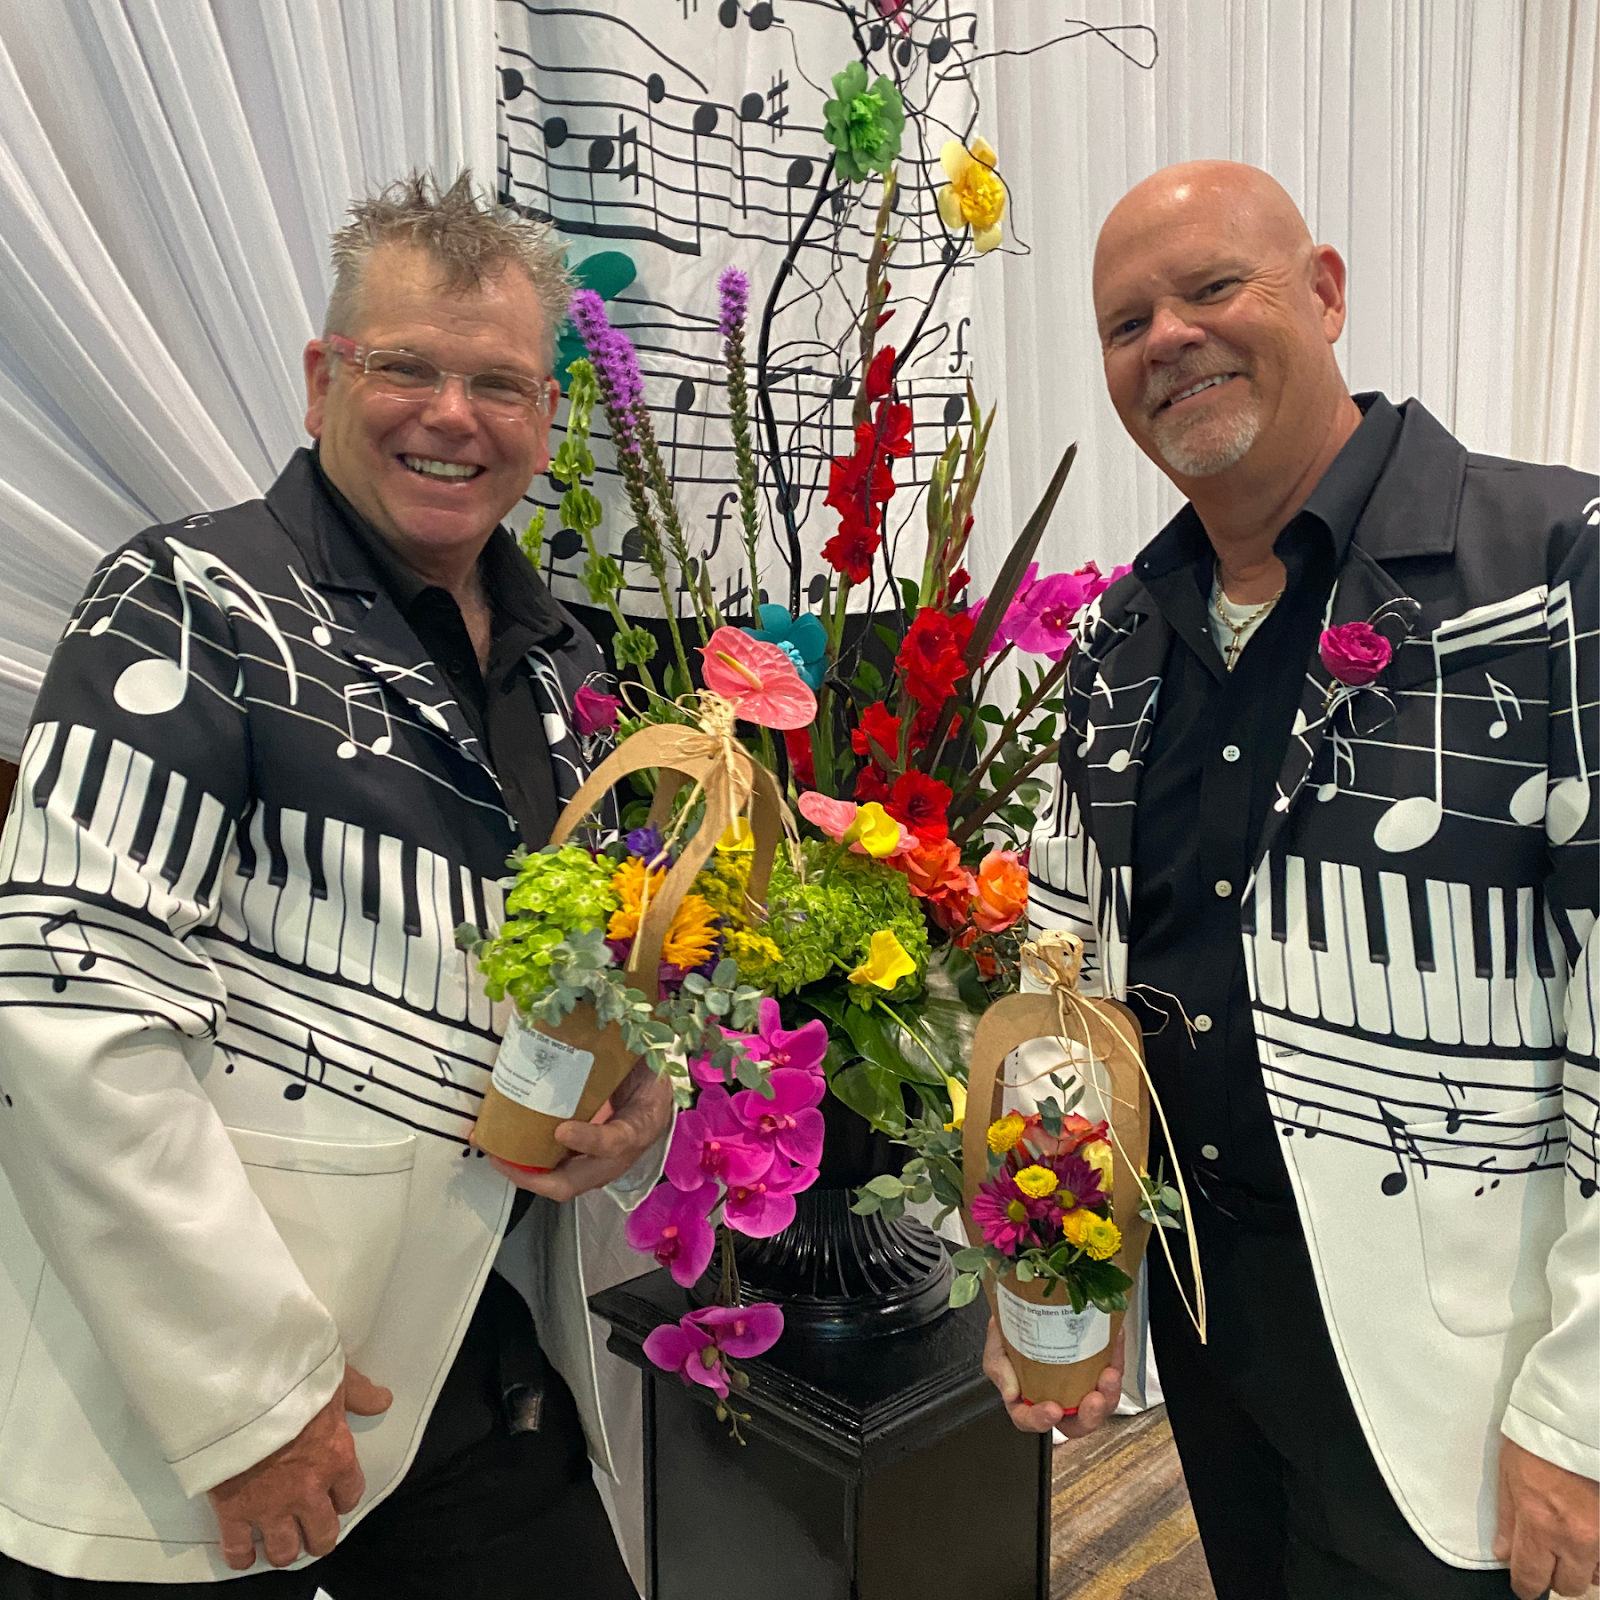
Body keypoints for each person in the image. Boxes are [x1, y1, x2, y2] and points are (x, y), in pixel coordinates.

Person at [0, 172, 667, 1597]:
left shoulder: (567, 667)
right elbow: (68, 1012)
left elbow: (593, 971)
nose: (453, 415)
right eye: (406, 366)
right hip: (227, 1422)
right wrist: (242, 1398)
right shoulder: (189, 602)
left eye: (498, 381)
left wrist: (632, 1099)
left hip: (493, 1373)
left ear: (547, 417)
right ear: (323, 379)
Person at [987, 160, 1598, 1600]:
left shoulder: (1557, 570)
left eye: (1211, 288)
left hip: (1469, 1362)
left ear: (1324, 292)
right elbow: (1065, 986)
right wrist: (1047, 1288)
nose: (1169, 340)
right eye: (1128, 322)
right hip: (1217, 1321)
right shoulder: (1123, 640)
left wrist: (1581, 1406)